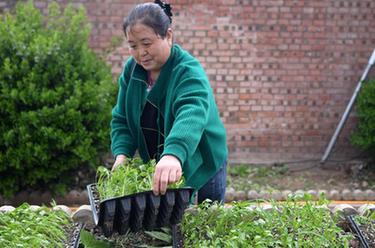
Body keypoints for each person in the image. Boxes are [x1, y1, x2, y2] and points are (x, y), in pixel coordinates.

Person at [110, 0, 228, 203]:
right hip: (165, 160)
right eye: (133, 46)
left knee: (204, 224)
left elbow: (191, 113)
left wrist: (173, 153)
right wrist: (122, 154)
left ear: (168, 36)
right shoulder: (132, 71)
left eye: (147, 43)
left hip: (201, 160)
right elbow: (121, 118)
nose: (141, 53)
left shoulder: (187, 71)